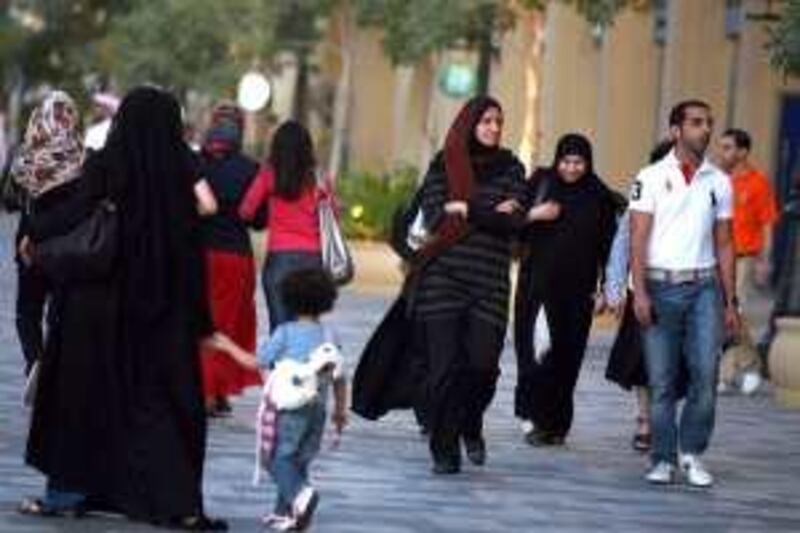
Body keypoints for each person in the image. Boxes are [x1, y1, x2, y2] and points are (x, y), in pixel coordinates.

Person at [21, 86, 227, 530]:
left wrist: (33, 233)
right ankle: (177, 502)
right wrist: (200, 320)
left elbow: (71, 215)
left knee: (83, 400)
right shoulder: (180, 172)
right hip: (162, 310)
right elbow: (192, 252)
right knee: (163, 406)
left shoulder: (106, 165)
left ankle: (69, 493)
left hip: (96, 308)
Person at [411, 96, 530, 474]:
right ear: (469, 124)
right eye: (487, 121)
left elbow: (515, 221)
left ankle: (470, 422)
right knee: (444, 369)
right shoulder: (444, 164)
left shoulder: (512, 167)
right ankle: (444, 450)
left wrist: (467, 208)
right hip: (442, 278)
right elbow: (433, 213)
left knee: (482, 367)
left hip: (490, 282)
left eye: (499, 121)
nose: (494, 128)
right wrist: (491, 211)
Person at [630, 100, 740, 487]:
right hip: (659, 288)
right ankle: (662, 459)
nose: (705, 129)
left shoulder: (719, 181)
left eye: (709, 123)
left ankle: (691, 452)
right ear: (676, 130)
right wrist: (638, 293)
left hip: (705, 288)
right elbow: (638, 237)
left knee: (705, 376)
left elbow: (726, 243)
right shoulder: (650, 176)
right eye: (696, 123)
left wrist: (731, 301)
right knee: (661, 381)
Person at [220, 268, 347, 532]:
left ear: (287, 299)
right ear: (326, 300)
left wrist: (226, 346)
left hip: (289, 409)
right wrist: (340, 411)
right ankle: (286, 513)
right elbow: (340, 377)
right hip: (318, 410)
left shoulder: (285, 332)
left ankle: (302, 495)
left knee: (276, 459)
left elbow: (256, 362)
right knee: (298, 460)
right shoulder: (330, 336)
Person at [513, 133, 618, 447]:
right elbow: (511, 222)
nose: (572, 169)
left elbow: (609, 247)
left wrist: (605, 289)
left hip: (577, 294)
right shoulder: (541, 184)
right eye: (566, 161)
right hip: (537, 288)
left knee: (567, 358)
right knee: (534, 354)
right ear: (557, 160)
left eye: (578, 162)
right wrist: (536, 214)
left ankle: (556, 424)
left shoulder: (598, 196)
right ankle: (535, 418)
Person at [604, 139, 675, 452]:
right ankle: (645, 420)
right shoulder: (642, 193)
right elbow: (622, 243)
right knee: (643, 361)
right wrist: (615, 288)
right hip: (644, 291)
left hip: (684, 291)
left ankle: (662, 418)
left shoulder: (701, 193)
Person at [7, 93, 82, 378]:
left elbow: (11, 198)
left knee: (27, 308)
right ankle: (54, 361)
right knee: (59, 309)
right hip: (65, 245)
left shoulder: (26, 156)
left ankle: (34, 360)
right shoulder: (79, 156)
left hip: (29, 243)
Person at [198, 102, 263, 417]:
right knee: (227, 325)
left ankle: (207, 388)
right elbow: (259, 219)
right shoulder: (250, 169)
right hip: (235, 257)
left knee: (197, 321)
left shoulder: (195, 163)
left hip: (197, 254)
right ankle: (212, 392)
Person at [239, 121, 332, 332]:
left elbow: (246, 211)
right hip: (313, 262)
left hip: (280, 259)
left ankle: (281, 366)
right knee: (308, 329)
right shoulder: (317, 177)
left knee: (280, 330)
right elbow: (332, 213)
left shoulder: (269, 173)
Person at [717, 128, 779, 303]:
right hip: (713, 259)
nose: (721, 153)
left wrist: (764, 261)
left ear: (743, 152)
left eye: (727, 148)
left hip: (742, 259)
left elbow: (767, 224)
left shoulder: (758, 183)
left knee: (734, 309)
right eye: (721, 147)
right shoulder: (717, 180)